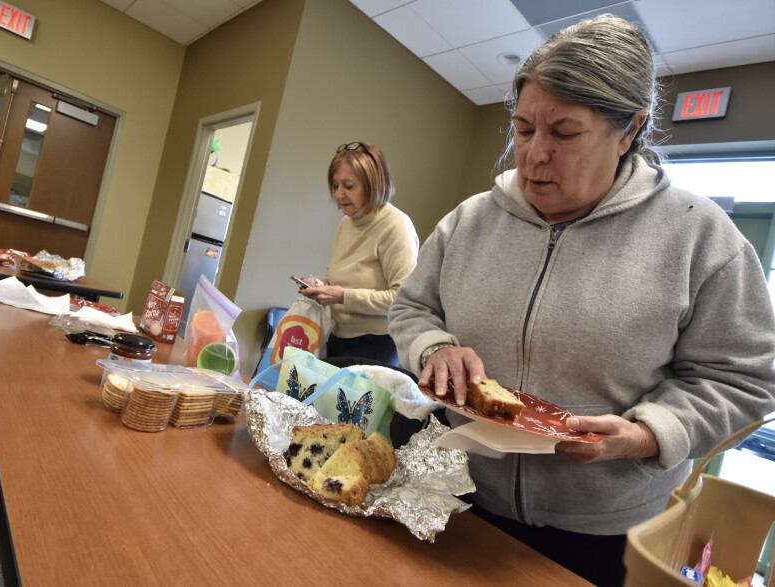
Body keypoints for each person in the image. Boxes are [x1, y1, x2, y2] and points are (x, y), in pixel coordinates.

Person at [388, 15, 775, 587]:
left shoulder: (701, 238)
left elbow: (744, 379)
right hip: (457, 497)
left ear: (629, 130)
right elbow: (411, 307)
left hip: (600, 534)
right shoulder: (469, 221)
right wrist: (432, 348)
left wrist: (647, 434)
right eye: (522, 129)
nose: (533, 155)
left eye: (564, 134)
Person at [299, 142, 418, 366]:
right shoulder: (346, 223)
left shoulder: (396, 225)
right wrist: (319, 284)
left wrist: (342, 296)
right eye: (335, 186)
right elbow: (337, 275)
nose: (339, 194)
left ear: (373, 185)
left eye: (348, 186)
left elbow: (402, 299)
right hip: (338, 336)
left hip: (377, 345)